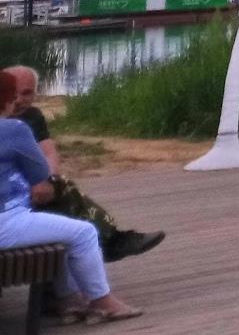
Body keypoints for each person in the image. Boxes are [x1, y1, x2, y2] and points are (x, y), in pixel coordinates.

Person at [1, 67, 164, 263]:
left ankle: (104, 240)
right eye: (14, 94)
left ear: (35, 94)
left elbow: (49, 151)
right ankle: (109, 242)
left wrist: (47, 179)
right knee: (64, 191)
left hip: (25, 183)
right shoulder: (11, 125)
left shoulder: (32, 116)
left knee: (58, 186)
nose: (19, 99)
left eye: (27, 93)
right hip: (9, 192)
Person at [0, 103, 141, 323]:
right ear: (7, 101)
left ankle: (69, 301)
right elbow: (41, 174)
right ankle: (103, 303)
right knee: (83, 233)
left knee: (57, 230)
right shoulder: (12, 129)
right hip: (5, 222)